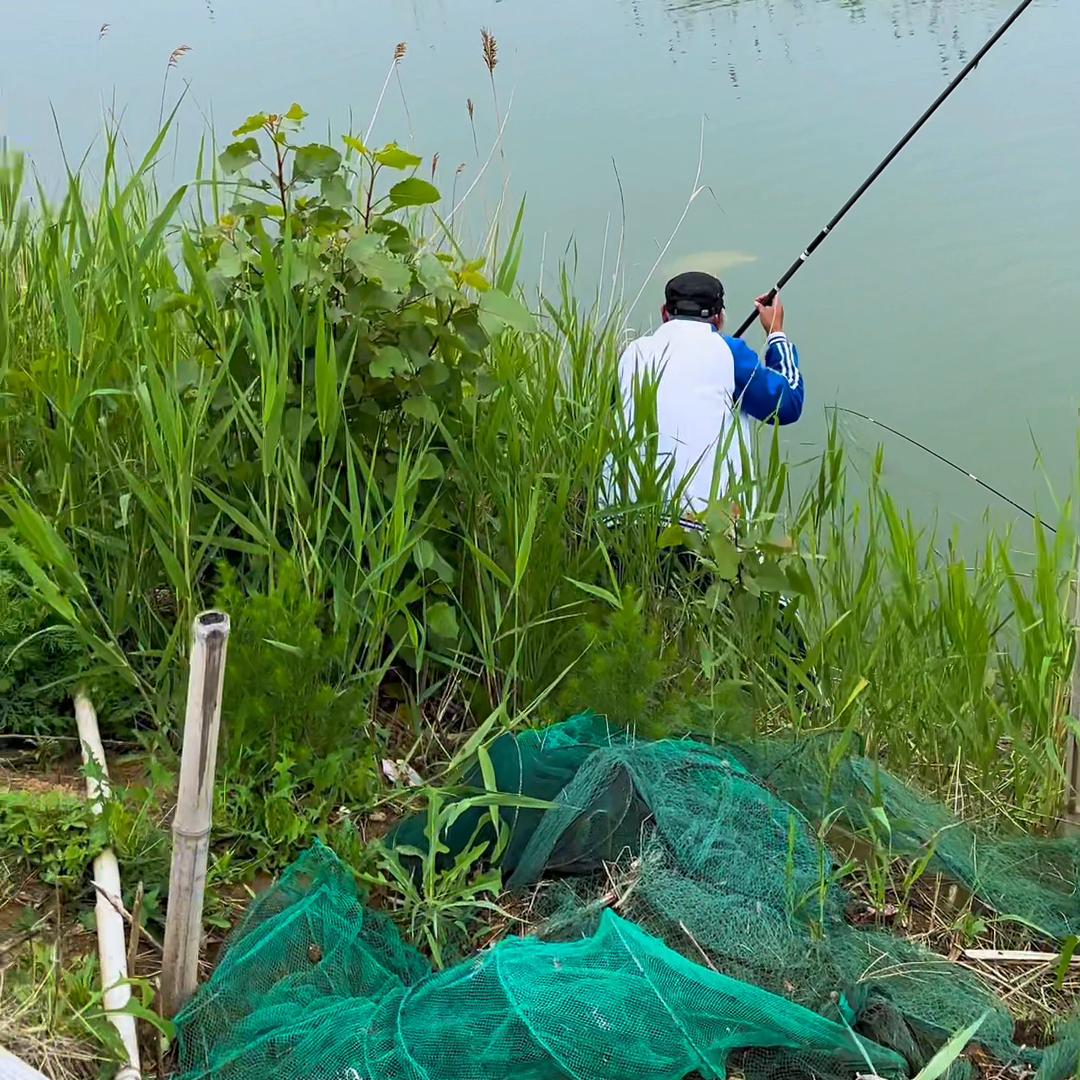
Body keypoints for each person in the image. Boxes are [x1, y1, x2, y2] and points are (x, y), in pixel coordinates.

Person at [615, 270, 804, 520]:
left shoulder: (632, 353)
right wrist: (776, 334)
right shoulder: (730, 352)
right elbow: (788, 403)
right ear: (719, 319)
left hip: (625, 522)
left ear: (665, 313)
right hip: (705, 529)